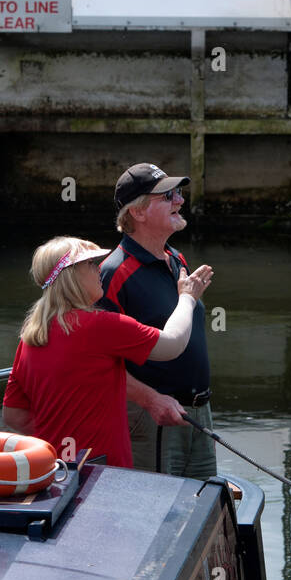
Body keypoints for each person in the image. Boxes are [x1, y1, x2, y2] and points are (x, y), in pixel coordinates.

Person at [1, 236, 209, 468]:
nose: (98, 269)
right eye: (90, 264)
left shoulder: (31, 337)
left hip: (53, 469)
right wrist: (188, 298)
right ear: (71, 276)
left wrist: (65, 437)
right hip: (103, 473)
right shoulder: (102, 325)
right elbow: (173, 344)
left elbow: (14, 416)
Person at [99, 163, 218, 479]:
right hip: (152, 418)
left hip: (197, 412)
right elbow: (96, 363)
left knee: (203, 507)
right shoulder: (113, 274)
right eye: (168, 196)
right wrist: (150, 399)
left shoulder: (176, 258)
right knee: (155, 514)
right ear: (137, 213)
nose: (179, 200)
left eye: (178, 193)